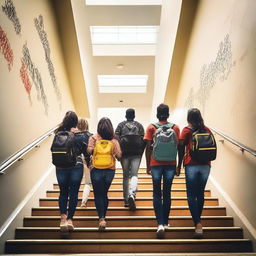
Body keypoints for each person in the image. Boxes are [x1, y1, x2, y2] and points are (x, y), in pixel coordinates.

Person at [144, 103, 180, 239]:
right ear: (168, 114)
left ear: (157, 114)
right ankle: (165, 222)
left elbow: (148, 148)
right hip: (170, 164)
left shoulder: (151, 127)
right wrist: (178, 165)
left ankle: (159, 224)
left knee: (156, 193)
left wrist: (148, 166)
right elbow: (178, 147)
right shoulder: (175, 128)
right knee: (167, 193)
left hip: (156, 164)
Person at [177, 108, 213, 238]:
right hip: (206, 166)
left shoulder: (186, 130)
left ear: (189, 117)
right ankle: (198, 221)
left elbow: (180, 148)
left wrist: (179, 165)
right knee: (200, 193)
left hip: (191, 165)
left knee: (191, 195)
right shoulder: (207, 129)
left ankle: (197, 223)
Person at [87, 117, 122, 231]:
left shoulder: (93, 138)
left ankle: (101, 218)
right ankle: (103, 217)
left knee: (98, 194)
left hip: (96, 168)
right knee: (104, 193)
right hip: (110, 170)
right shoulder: (114, 140)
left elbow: (88, 151)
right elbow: (119, 155)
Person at [53, 111, 84, 233]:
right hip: (76, 165)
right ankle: (70, 219)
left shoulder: (58, 132)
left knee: (63, 192)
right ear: (76, 121)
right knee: (74, 193)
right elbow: (83, 150)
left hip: (60, 166)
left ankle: (63, 219)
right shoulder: (78, 134)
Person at [115, 108, 145, 210]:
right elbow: (143, 140)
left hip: (124, 154)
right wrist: (141, 153)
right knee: (134, 175)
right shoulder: (139, 125)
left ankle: (126, 200)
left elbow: (116, 139)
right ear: (134, 115)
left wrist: (118, 153)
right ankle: (132, 194)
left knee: (125, 176)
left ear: (126, 115)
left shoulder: (121, 125)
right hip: (136, 154)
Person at [72, 118, 93, 208]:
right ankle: (83, 202)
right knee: (87, 183)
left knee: (74, 183)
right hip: (88, 161)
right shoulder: (91, 136)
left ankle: (71, 202)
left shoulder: (73, 136)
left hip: (76, 161)